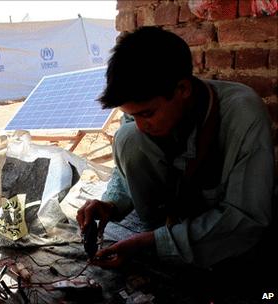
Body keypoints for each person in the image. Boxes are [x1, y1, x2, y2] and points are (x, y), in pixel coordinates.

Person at [76, 27, 275, 277]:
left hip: (222, 232)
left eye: (147, 113)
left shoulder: (243, 114)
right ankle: (160, 234)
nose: (140, 124)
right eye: (131, 115)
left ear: (182, 89)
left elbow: (246, 218)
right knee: (127, 138)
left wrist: (153, 243)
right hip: (163, 220)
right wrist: (110, 204)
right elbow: (127, 168)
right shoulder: (144, 109)